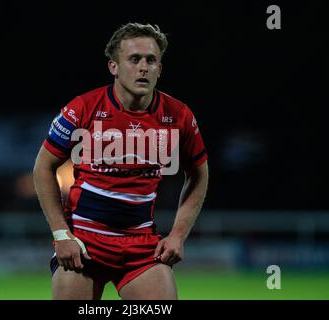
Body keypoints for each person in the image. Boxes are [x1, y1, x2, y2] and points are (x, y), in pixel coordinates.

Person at [33, 23, 209, 300]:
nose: (143, 67)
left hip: (142, 247)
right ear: (113, 67)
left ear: (160, 69)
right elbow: (43, 167)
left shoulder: (178, 115)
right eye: (134, 59)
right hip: (84, 243)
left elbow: (199, 175)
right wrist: (61, 235)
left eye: (151, 60)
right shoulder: (83, 108)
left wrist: (178, 235)